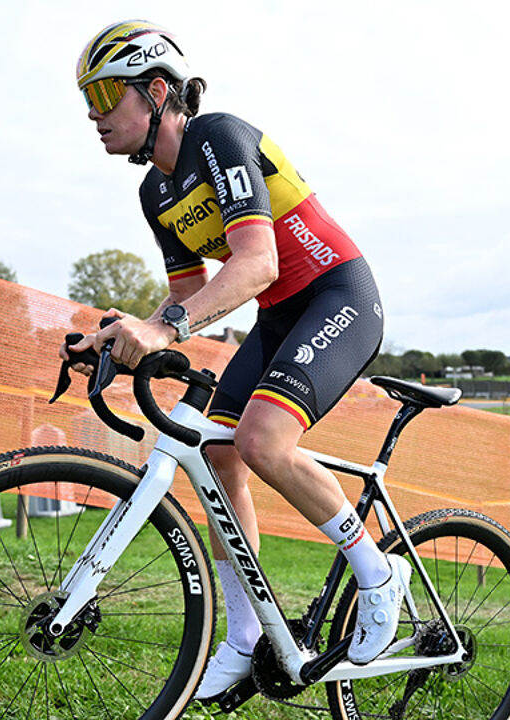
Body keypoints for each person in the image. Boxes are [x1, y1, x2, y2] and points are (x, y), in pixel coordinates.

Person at [65, 21, 399, 701]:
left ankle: (377, 575)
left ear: (157, 91)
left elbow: (257, 262)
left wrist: (164, 329)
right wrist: (126, 334)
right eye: (87, 100)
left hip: (337, 294)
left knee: (261, 441)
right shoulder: (155, 192)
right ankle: (246, 638)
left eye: (104, 95)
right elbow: (188, 294)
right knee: (219, 457)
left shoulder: (218, 136)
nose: (94, 115)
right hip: (279, 317)